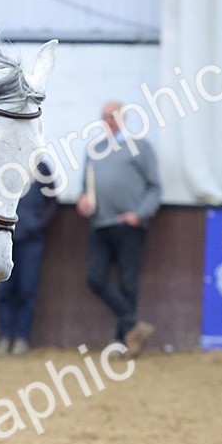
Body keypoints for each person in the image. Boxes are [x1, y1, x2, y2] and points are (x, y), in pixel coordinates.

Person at [76, 101, 161, 357]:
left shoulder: (141, 148)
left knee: (127, 283)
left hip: (129, 226)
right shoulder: (94, 150)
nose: (109, 120)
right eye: (105, 117)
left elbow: (155, 187)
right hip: (100, 224)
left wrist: (139, 214)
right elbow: (85, 188)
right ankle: (135, 326)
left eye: (113, 116)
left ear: (123, 118)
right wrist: (83, 200)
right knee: (95, 278)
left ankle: (123, 342)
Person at [0, 160, 58, 355]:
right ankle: (5, 337)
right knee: (3, 291)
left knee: (26, 290)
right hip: (5, 240)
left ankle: (22, 339)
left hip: (31, 242)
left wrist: (38, 225)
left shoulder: (42, 167)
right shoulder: (3, 165)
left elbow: (53, 201)